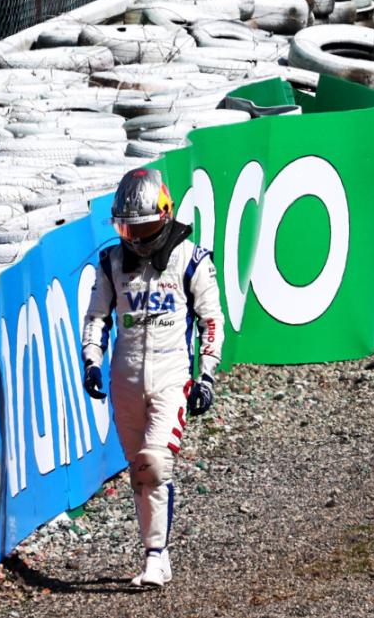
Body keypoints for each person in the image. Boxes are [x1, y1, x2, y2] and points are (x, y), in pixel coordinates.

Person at [81, 168, 223, 589]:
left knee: (156, 463)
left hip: (171, 374)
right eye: (127, 227)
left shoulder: (192, 259)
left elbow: (211, 319)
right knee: (138, 470)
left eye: (142, 226)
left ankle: (157, 557)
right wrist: (91, 362)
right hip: (123, 379)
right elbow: (96, 317)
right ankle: (151, 553)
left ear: (163, 215)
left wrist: (207, 375)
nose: (136, 236)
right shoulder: (110, 262)